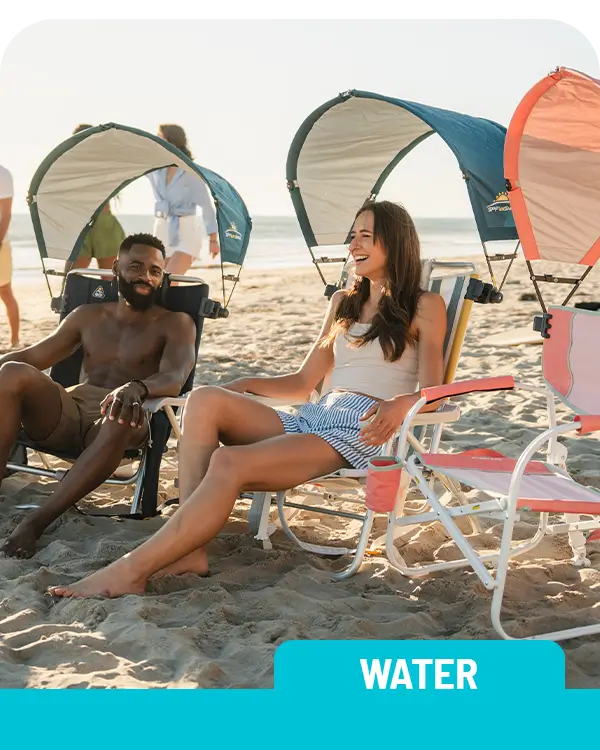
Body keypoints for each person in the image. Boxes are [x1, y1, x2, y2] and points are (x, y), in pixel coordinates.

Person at [48, 200, 447, 599]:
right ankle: (191, 549)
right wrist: (241, 385)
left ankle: (132, 570)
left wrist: (400, 404)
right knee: (205, 398)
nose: (353, 245)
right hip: (317, 414)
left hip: (364, 427)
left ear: (394, 242)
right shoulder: (344, 302)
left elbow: (433, 393)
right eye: (352, 236)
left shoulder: (424, 305)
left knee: (227, 460)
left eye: (365, 236)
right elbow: (302, 382)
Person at [0, 233, 196, 559]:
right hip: (70, 410)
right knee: (10, 374)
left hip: (126, 414)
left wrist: (136, 387)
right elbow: (32, 358)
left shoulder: (176, 323)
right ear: (116, 267)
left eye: (155, 271)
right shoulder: (87, 316)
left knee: (121, 413)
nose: (146, 277)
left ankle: (36, 522)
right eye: (136, 267)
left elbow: (175, 377)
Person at [149, 124, 220, 276]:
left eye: (160, 138)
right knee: (160, 284)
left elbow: (207, 206)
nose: (156, 141)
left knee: (170, 281)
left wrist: (213, 240)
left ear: (172, 142)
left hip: (186, 231)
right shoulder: (155, 169)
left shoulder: (190, 172)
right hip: (161, 230)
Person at [69, 124, 126, 271]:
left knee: (109, 283)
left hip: (104, 225)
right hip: (81, 225)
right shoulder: (70, 165)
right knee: (70, 280)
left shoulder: (104, 163)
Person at [0, 164, 20, 349]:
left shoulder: (3, 174)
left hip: (0, 244)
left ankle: (14, 341)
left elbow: (6, 213)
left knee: (5, 291)